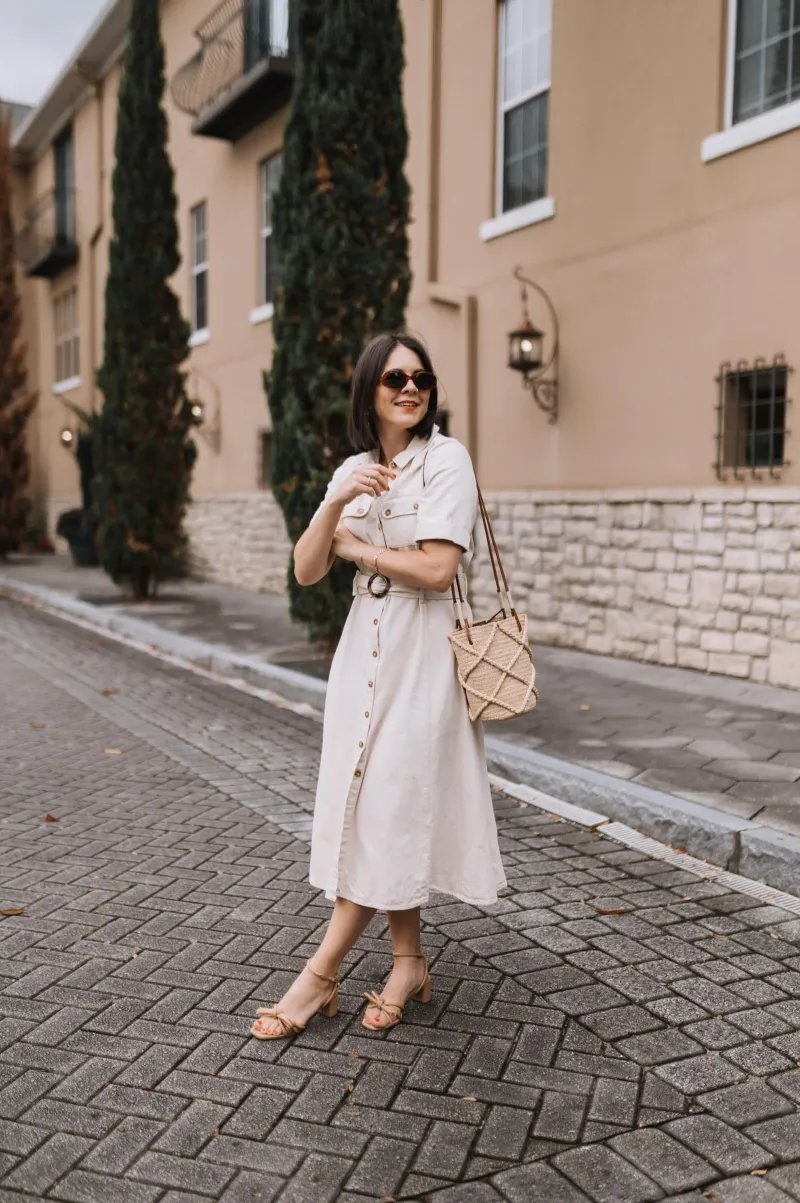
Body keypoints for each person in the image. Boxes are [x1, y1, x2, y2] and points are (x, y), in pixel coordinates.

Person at [251, 331, 506, 1039]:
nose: (410, 388)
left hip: (422, 652)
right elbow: (306, 568)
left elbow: (437, 570)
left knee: (386, 802)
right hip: (363, 648)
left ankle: (319, 974)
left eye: (420, 377)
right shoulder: (354, 469)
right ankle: (408, 961)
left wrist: (358, 547)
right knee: (382, 802)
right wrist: (336, 502)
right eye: (395, 378)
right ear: (370, 389)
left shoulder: (447, 459)